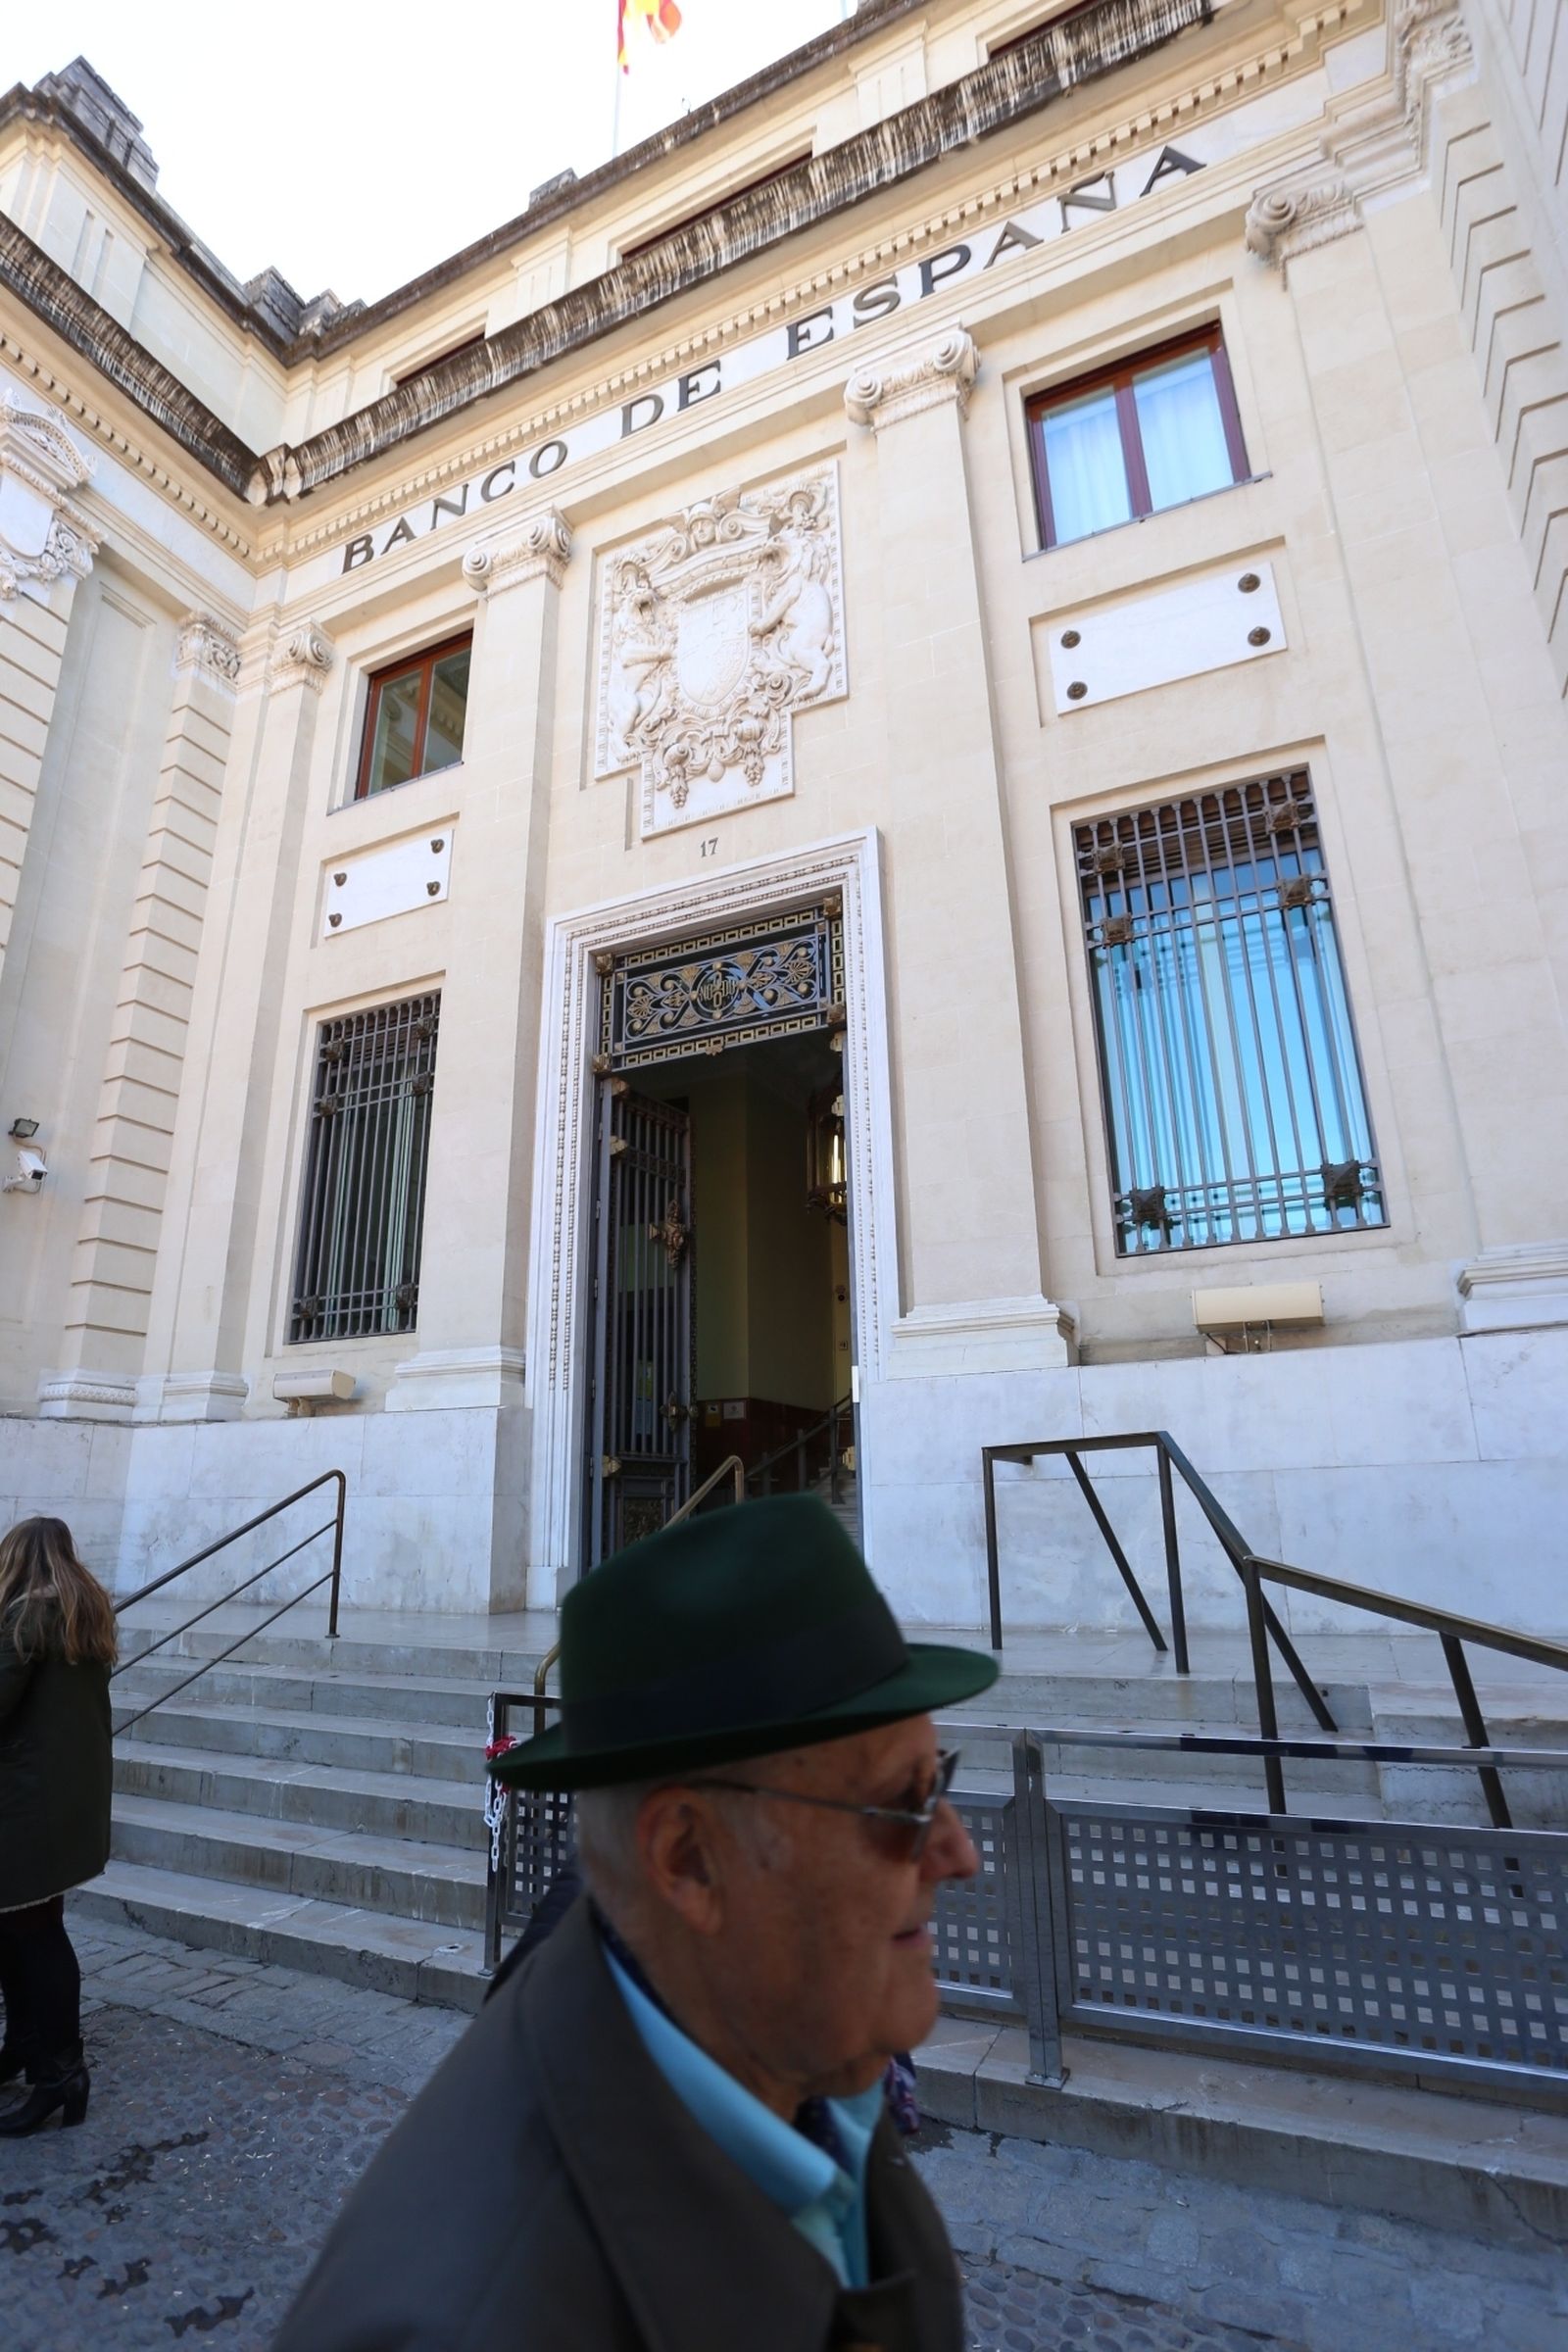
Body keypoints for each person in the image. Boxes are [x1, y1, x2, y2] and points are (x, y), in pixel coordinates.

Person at [275, 1494, 999, 2351]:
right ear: (689, 1859)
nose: (961, 1853)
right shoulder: (470, 2321)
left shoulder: (807, 2044)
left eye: (939, 1778)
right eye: (900, 1803)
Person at [0, 1514, 117, 2136]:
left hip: (25, 1806)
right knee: (26, 1929)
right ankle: (25, 2044)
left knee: (35, 1933)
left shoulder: (23, 1619)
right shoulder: (84, 1616)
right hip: (66, 1803)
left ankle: (61, 2073)